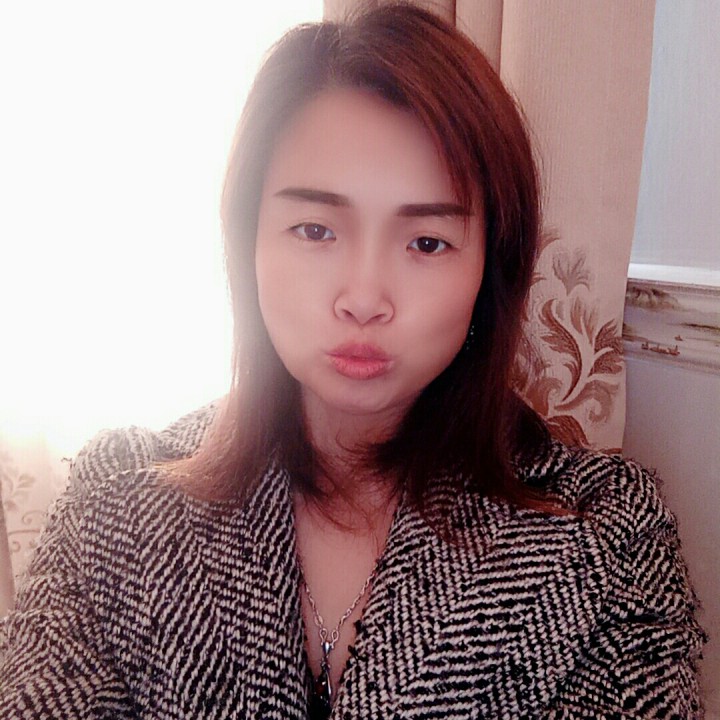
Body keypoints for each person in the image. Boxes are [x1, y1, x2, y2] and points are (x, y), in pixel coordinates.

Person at [0, 3, 707, 718]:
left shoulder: (605, 532)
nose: (364, 299)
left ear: (490, 271)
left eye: (427, 242)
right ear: (247, 243)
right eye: (315, 230)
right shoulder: (118, 503)